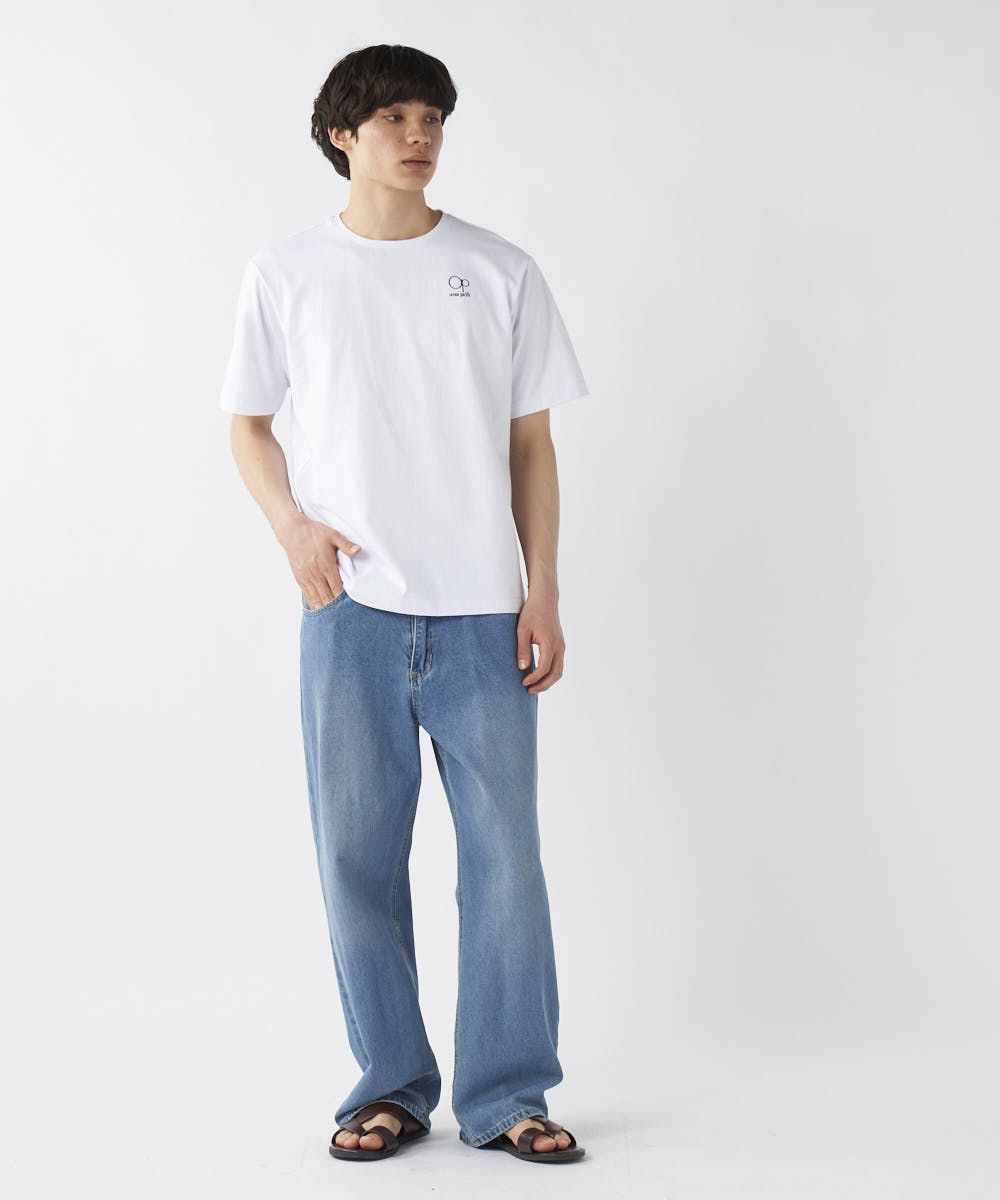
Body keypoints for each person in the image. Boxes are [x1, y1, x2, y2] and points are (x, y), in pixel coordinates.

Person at [219, 43, 588, 1165]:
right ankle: (388, 1086)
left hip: (483, 613)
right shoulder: (287, 273)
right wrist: (292, 529)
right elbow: (247, 426)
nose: (418, 136)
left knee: (505, 862)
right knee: (357, 861)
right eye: (392, 118)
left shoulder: (500, 269)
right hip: (351, 612)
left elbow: (531, 444)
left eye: (431, 117)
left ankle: (508, 1093)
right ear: (342, 134)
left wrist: (542, 587)